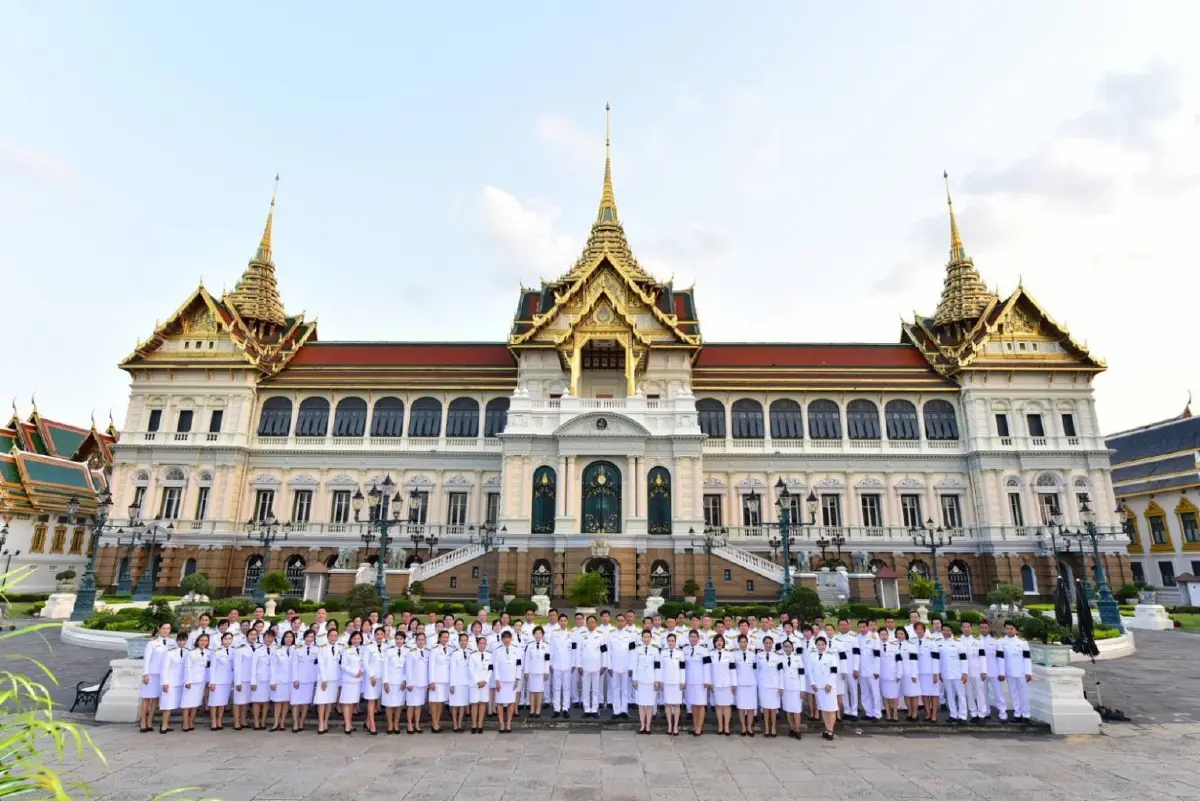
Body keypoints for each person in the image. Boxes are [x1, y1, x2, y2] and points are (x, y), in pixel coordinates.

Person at [139, 623, 173, 733]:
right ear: (159, 629)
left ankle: (150, 721)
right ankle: (143, 722)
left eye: (168, 628)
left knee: (155, 699)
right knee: (146, 698)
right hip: (152, 674)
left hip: (163, 676)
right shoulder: (152, 643)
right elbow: (147, 659)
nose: (166, 630)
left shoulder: (172, 643)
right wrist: (146, 674)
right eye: (163, 628)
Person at [575, 615, 609, 719]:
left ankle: (594, 709)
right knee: (585, 688)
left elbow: (604, 652)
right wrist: (578, 665)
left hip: (597, 666)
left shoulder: (601, 635)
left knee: (596, 689)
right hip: (585, 666)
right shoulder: (582, 635)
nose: (590, 624)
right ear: (586, 623)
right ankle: (586, 709)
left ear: (596, 623)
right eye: (589, 622)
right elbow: (579, 651)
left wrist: (604, 665)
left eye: (593, 622)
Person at [1000, 621, 1032, 723]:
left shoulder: (1023, 643)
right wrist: (1002, 672)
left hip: (1022, 673)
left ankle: (1026, 715)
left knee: (1024, 694)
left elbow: (1027, 659)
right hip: (1009, 672)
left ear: (1016, 630)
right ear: (1004, 630)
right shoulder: (1001, 643)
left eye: (1011, 628)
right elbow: (1000, 659)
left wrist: (1028, 672)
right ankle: (1017, 714)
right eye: (1007, 628)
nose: (1009, 630)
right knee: (1013, 694)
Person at [158, 631, 189, 734]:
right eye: (179, 640)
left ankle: (168, 724)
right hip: (171, 681)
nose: (181, 642)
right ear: (176, 641)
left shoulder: (188, 652)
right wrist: (164, 683)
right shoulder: (170, 652)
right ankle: (163, 725)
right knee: (167, 705)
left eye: (184, 640)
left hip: (182, 682)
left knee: (177, 704)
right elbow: (164, 669)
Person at [631, 629, 661, 735]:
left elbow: (657, 667)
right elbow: (634, 665)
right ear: (642, 638)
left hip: (651, 680)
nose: (646, 639)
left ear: (651, 638)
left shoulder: (655, 650)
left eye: (648, 637)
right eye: (645, 637)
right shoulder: (637, 650)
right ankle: (642, 724)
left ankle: (648, 725)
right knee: (641, 703)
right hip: (640, 679)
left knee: (649, 704)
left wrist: (657, 680)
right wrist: (634, 679)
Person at [314, 628, 342, 735]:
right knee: (321, 701)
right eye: (331, 635)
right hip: (324, 679)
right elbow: (321, 664)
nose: (333, 637)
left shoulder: (340, 647)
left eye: (335, 635)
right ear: (328, 636)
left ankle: (326, 721)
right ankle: (320, 722)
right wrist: (324, 679)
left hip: (335, 679)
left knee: (330, 701)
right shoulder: (322, 648)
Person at [180, 632, 210, 733]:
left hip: (201, 681)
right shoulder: (191, 653)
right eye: (201, 640)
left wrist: (208, 680)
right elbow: (187, 667)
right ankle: (185, 723)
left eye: (205, 641)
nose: (203, 642)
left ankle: (191, 721)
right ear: (197, 642)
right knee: (187, 703)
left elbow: (208, 668)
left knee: (195, 703)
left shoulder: (208, 652)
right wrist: (188, 681)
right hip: (191, 681)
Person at [683, 630, 711, 736]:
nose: (693, 638)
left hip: (700, 681)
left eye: (695, 637)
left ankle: (700, 727)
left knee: (700, 705)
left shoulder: (703, 650)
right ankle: (695, 726)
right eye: (691, 636)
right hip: (689, 681)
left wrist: (707, 680)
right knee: (693, 705)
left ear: (698, 638)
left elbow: (707, 666)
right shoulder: (685, 649)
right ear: (688, 638)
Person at [607, 615, 636, 718]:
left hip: (625, 666)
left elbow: (632, 652)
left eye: (622, 620)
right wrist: (609, 666)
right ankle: (616, 711)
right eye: (618, 620)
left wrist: (631, 667)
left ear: (625, 622)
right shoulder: (610, 634)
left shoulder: (630, 635)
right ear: (616, 622)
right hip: (614, 667)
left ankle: (624, 710)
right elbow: (608, 652)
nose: (620, 622)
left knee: (625, 689)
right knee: (615, 688)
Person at [493, 630, 522, 733]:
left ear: (511, 638)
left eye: (508, 637)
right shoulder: (497, 650)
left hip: (512, 680)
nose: (506, 639)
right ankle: (501, 723)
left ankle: (509, 722)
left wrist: (517, 678)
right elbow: (495, 667)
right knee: (500, 703)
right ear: (502, 639)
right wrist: (496, 680)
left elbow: (519, 665)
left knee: (511, 702)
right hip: (501, 680)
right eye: (504, 638)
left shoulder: (516, 649)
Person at [979, 620, 1008, 721]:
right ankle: (986, 711)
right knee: (983, 693)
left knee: (998, 693)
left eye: (985, 627)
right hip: (981, 672)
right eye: (981, 627)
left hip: (994, 671)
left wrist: (1001, 672)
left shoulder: (996, 642)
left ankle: (1002, 712)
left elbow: (1000, 658)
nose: (983, 629)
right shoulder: (977, 641)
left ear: (989, 628)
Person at [812, 636, 840, 740]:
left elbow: (834, 672)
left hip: (828, 686)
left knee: (831, 708)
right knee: (823, 708)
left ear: (825, 645)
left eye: (822, 645)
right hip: (818, 686)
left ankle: (830, 730)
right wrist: (812, 683)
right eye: (818, 644)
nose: (821, 646)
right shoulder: (812, 656)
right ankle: (827, 728)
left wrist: (830, 684)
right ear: (816, 645)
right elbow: (810, 671)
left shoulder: (831, 656)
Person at [709, 633, 736, 737]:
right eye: (717, 641)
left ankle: (727, 727)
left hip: (727, 684)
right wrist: (710, 682)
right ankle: (720, 727)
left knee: (727, 706)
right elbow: (708, 670)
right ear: (714, 643)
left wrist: (734, 684)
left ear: (723, 642)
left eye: (721, 641)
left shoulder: (729, 654)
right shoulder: (710, 654)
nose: (719, 643)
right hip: (716, 683)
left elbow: (733, 670)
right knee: (719, 706)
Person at [289, 630, 317, 732]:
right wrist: (295, 679)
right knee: (295, 702)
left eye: (312, 637)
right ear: (304, 638)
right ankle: (295, 723)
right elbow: (294, 665)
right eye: (308, 637)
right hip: (299, 680)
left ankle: (301, 722)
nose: (309, 639)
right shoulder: (297, 649)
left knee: (305, 703)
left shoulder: (317, 649)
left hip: (309, 680)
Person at [959, 621, 987, 723]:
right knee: (969, 693)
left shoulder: (978, 641)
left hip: (977, 670)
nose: (966, 629)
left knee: (980, 692)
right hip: (964, 672)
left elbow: (982, 657)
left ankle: (982, 714)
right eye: (964, 627)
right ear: (961, 628)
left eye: (968, 627)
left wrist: (984, 671)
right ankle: (973, 713)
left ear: (971, 628)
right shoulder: (958, 641)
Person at [382, 631, 408, 735]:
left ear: (404, 640)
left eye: (401, 639)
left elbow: (408, 668)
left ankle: (396, 724)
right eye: (397, 639)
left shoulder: (408, 651)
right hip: (390, 681)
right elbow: (385, 667)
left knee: (399, 704)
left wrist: (405, 680)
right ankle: (390, 724)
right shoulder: (389, 651)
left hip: (401, 682)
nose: (399, 641)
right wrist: (385, 682)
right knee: (389, 704)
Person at [547, 613, 574, 718]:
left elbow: (574, 650)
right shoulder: (554, 633)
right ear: (559, 622)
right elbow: (551, 649)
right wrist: (550, 663)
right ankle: (556, 709)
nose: (563, 622)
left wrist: (573, 664)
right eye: (561, 621)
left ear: (567, 622)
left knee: (566, 688)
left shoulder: (572, 633)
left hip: (568, 665)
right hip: (556, 664)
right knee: (556, 688)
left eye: (565, 620)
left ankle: (565, 708)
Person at [208, 632, 235, 730]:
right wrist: (212, 682)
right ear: (222, 640)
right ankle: (213, 721)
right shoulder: (216, 652)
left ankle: (220, 720)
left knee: (223, 702)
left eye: (229, 638)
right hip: (217, 681)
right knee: (214, 702)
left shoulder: (234, 651)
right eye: (225, 639)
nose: (227, 641)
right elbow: (212, 668)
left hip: (228, 681)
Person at [756, 635, 782, 738]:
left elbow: (780, 673)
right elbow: (756, 671)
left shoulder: (778, 657)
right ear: (763, 644)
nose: (768, 645)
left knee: (774, 708)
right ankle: (767, 728)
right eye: (766, 643)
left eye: (770, 643)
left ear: (773, 644)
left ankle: (773, 728)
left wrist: (781, 686)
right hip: (763, 685)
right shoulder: (758, 656)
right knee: (766, 707)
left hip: (774, 685)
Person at [361, 627, 386, 735]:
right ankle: (372, 724)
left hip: (382, 678)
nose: (379, 636)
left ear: (384, 635)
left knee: (376, 700)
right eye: (377, 634)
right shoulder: (369, 647)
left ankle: (367, 722)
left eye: (381, 634)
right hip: (372, 678)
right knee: (371, 701)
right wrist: (371, 675)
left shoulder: (388, 647)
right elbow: (365, 663)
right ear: (374, 635)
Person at [914, 622, 940, 722]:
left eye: (921, 629)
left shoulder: (931, 642)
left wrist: (935, 673)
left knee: (933, 694)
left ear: (924, 630)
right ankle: (928, 713)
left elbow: (935, 659)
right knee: (924, 694)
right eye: (917, 629)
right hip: (920, 673)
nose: (919, 631)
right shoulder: (913, 642)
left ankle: (934, 715)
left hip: (930, 673)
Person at [659, 633, 685, 736]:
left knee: (677, 704)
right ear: (667, 642)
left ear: (675, 641)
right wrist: (660, 681)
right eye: (669, 641)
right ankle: (669, 726)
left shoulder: (680, 653)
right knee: (667, 704)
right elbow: (660, 668)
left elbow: (683, 668)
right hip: (666, 682)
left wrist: (683, 681)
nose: (671, 642)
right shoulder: (663, 653)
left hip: (677, 682)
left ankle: (676, 726)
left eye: (672, 640)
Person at [231, 628, 257, 730]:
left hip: (252, 679)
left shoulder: (258, 647)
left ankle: (243, 720)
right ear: (247, 636)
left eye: (255, 635)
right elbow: (237, 666)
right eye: (251, 634)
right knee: (238, 701)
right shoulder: (240, 648)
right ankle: (237, 722)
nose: (253, 637)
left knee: (246, 701)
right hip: (242, 679)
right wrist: (237, 682)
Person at [780, 638, 806, 739]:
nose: (787, 648)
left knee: (797, 709)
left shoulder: (798, 659)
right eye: (785, 646)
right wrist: (781, 687)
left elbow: (802, 675)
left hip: (796, 687)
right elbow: (780, 674)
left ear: (792, 647)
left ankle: (797, 729)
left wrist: (803, 689)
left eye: (789, 646)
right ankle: (791, 728)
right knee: (788, 709)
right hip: (786, 687)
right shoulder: (780, 659)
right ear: (783, 648)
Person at [733, 634, 758, 736]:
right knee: (742, 707)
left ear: (747, 643)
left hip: (751, 684)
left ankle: (749, 726)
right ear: (738, 643)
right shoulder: (734, 655)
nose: (743, 644)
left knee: (751, 707)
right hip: (740, 684)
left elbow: (756, 670)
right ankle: (743, 726)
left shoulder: (753, 655)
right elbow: (733, 671)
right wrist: (734, 684)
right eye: (741, 642)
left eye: (745, 642)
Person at [428, 630, 453, 733]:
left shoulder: (451, 649)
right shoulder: (434, 650)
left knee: (441, 702)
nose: (445, 639)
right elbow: (431, 666)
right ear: (439, 638)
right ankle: (434, 724)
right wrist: (431, 681)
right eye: (443, 637)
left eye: (447, 637)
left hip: (446, 680)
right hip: (436, 680)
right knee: (435, 703)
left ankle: (437, 722)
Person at [523, 626, 551, 718]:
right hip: (531, 672)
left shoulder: (546, 646)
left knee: (539, 692)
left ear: (542, 635)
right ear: (533, 635)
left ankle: (538, 710)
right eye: (536, 633)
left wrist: (546, 672)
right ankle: (532, 710)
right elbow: (526, 659)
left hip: (541, 672)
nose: (538, 635)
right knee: (532, 691)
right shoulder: (530, 645)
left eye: (540, 633)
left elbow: (547, 660)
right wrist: (526, 672)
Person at [449, 632, 474, 732]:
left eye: (465, 640)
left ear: (468, 641)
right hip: (457, 682)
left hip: (467, 683)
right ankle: (454, 724)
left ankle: (460, 723)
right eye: (462, 640)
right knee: (455, 704)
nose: (463, 642)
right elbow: (452, 669)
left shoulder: (471, 652)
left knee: (463, 704)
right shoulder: (455, 653)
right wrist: (452, 684)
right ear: (459, 642)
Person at [249, 629, 273, 730]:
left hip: (270, 680)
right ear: (263, 638)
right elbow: (253, 667)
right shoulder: (258, 650)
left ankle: (263, 721)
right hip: (259, 680)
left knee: (266, 701)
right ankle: (256, 721)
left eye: (271, 637)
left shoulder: (277, 649)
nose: (269, 639)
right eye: (267, 637)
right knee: (256, 702)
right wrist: (253, 681)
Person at [406, 632, 430, 734]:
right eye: (419, 639)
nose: (421, 641)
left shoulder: (428, 652)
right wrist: (409, 683)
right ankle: (409, 724)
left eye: (422, 639)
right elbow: (408, 669)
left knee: (419, 705)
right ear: (416, 641)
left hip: (423, 683)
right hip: (413, 683)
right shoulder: (411, 652)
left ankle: (417, 724)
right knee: (411, 705)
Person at [469, 635, 492, 734]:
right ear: (477, 644)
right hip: (475, 683)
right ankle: (474, 724)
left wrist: (485, 680)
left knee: (482, 703)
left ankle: (480, 724)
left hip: (485, 683)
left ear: (486, 645)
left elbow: (491, 669)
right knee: (474, 703)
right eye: (480, 643)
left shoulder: (490, 655)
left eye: (484, 644)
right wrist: (477, 681)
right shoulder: (472, 655)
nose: (482, 645)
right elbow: (470, 669)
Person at [878, 628, 901, 722]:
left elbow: (899, 661)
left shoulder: (894, 646)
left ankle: (895, 713)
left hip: (893, 674)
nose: (883, 636)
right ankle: (888, 713)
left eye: (885, 634)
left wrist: (899, 673)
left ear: (888, 636)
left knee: (894, 695)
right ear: (879, 636)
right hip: (882, 675)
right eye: (881, 634)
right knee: (885, 695)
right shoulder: (876, 647)